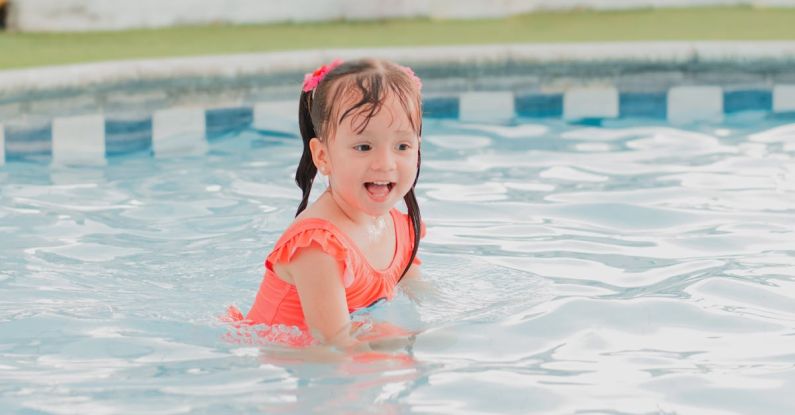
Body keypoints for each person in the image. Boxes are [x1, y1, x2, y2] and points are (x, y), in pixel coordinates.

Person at [227, 58, 426, 351]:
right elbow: (334, 345)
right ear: (323, 157)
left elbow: (420, 294)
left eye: (402, 146)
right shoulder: (318, 247)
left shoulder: (400, 227)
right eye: (363, 147)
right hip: (281, 359)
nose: (385, 163)